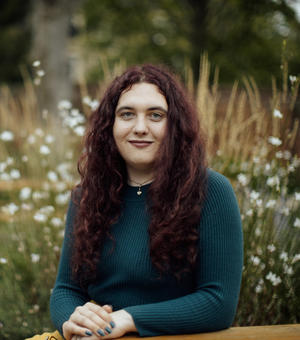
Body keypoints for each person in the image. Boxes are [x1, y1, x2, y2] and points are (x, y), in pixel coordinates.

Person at [49, 64, 243, 340]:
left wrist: (128, 319)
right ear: (110, 125)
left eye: (155, 115)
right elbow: (66, 289)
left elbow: (218, 302)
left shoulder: (211, 191)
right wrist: (74, 319)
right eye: (127, 114)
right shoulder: (87, 195)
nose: (140, 128)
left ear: (175, 124)